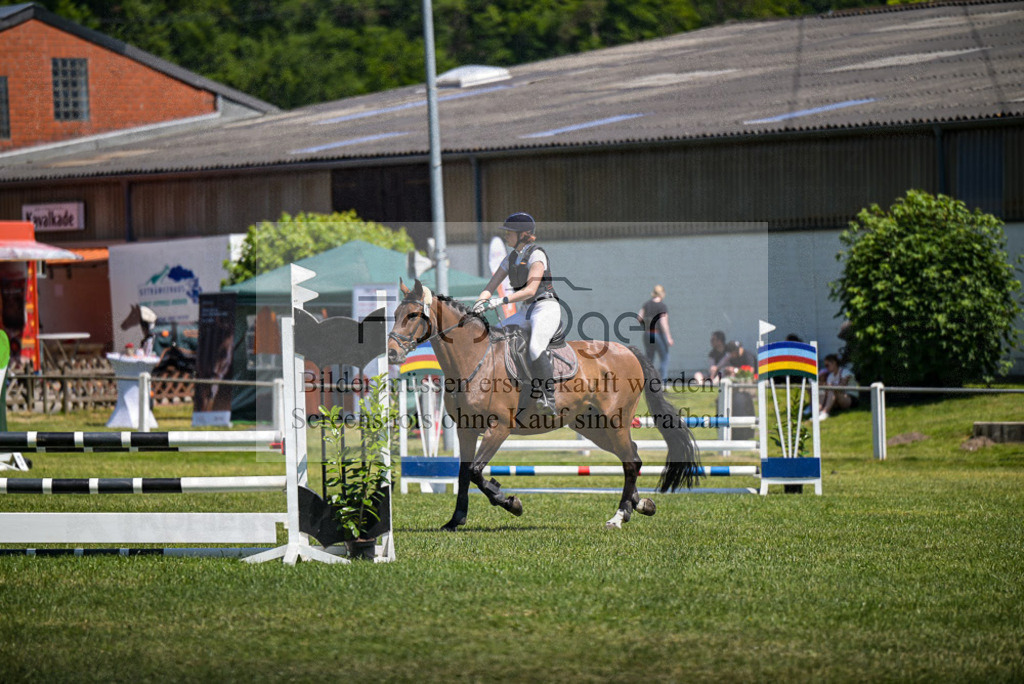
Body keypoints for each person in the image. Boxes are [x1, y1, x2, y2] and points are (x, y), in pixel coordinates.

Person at [474, 212, 562, 415]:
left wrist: (501, 300)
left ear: (523, 234)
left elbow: (530, 290)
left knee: (535, 346)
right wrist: (480, 302)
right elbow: (491, 285)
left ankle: (549, 398)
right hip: (526, 310)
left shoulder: (537, 255)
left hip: (545, 307)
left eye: (510, 232)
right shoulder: (511, 258)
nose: (506, 236)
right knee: (494, 336)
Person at [637, 285, 673, 379]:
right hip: (657, 333)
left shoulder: (646, 304)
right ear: (662, 293)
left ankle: (647, 381)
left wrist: (646, 325)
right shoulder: (662, 306)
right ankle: (662, 381)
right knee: (664, 358)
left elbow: (639, 318)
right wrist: (668, 337)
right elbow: (663, 322)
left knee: (649, 359)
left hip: (648, 334)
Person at [818, 353, 857, 420]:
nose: (826, 368)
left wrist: (829, 386)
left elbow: (842, 386)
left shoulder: (845, 372)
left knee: (832, 389)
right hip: (838, 398)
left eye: (827, 365)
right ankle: (818, 411)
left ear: (834, 363)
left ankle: (825, 412)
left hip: (850, 398)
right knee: (822, 390)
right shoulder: (831, 375)